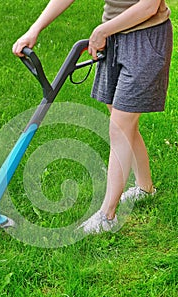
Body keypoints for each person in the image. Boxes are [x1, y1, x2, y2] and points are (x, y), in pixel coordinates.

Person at [12, 0, 173, 233]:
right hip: (114, 36)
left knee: (121, 126)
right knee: (123, 121)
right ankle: (145, 188)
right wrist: (34, 29)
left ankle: (107, 217)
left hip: (145, 38)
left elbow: (148, 7)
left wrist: (101, 31)